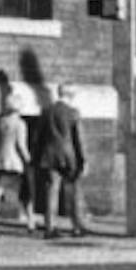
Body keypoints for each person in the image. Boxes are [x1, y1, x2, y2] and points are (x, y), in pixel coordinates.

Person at [35, 84, 90, 237]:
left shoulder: (47, 111)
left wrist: (36, 157)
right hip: (69, 157)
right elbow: (79, 139)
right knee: (72, 192)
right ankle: (77, 226)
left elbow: (38, 137)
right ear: (71, 95)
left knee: (51, 191)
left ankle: (50, 227)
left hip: (49, 155)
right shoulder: (73, 113)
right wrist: (84, 160)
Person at [0, 89, 33, 235]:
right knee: (25, 192)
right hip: (15, 162)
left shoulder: (0, 122)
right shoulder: (20, 124)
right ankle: (30, 221)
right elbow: (21, 145)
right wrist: (29, 160)